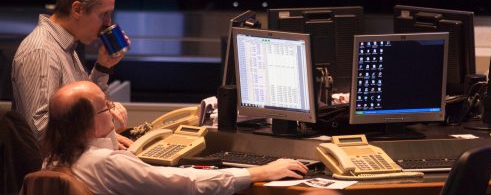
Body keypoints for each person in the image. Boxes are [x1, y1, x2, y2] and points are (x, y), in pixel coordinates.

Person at [44, 80, 308, 194]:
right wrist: (257, 173)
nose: (113, 110)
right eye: (106, 106)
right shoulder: (106, 163)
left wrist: (111, 135)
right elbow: (186, 184)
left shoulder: (54, 158)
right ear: (86, 125)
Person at [12, 0, 131, 145]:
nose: (108, 23)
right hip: (58, 170)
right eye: (103, 14)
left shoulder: (67, 46)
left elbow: (84, 109)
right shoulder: (41, 51)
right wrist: (99, 139)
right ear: (77, 9)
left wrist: (103, 66)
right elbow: (42, 132)